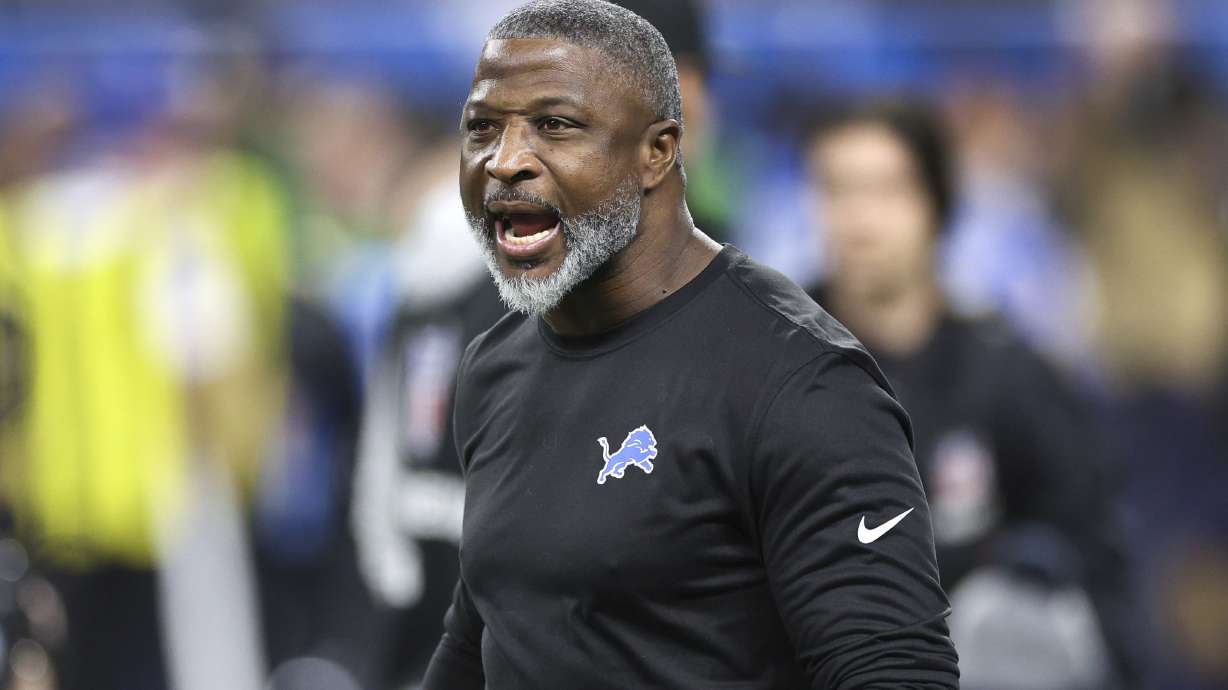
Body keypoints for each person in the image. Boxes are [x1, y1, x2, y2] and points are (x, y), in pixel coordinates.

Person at [421, 2, 959, 688]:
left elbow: (893, 671)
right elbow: (488, 631)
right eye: (482, 128)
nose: (504, 162)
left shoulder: (800, 380)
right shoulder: (494, 369)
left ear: (659, 152)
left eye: (555, 126)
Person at [802, 99, 1138, 689]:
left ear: (937, 201)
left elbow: (1096, 554)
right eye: (837, 190)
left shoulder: (1004, 370)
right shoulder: (766, 360)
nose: (858, 220)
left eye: (886, 190)